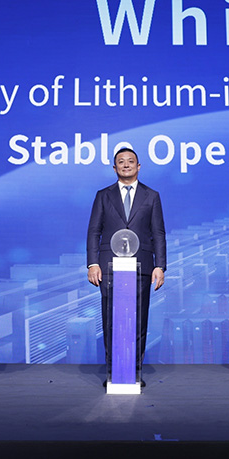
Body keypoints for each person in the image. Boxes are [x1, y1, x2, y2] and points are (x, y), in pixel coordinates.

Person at [87, 148, 166, 386]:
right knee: (111, 320)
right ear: (114, 168)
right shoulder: (103, 195)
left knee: (138, 320)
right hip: (109, 268)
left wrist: (160, 266)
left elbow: (158, 233)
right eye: (121, 162)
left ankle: (134, 373)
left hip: (142, 267)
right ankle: (113, 373)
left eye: (131, 161)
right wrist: (92, 263)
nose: (126, 165)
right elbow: (94, 231)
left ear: (138, 166)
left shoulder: (152, 196)